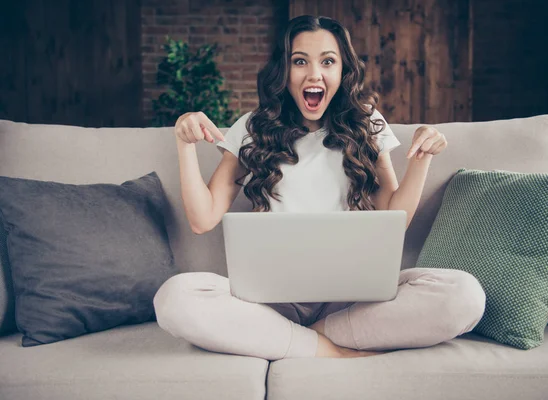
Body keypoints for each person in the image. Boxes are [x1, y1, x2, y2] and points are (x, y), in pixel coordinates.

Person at [153, 15, 486, 361]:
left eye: (328, 61)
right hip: (271, 301)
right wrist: (184, 144)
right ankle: (328, 349)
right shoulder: (254, 128)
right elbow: (201, 219)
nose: (314, 75)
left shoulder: (366, 124)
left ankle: (296, 340)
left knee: (465, 295)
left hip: (352, 301)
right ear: (284, 70)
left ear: (343, 71)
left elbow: (394, 217)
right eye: (300, 62)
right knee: (174, 298)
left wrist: (421, 159)